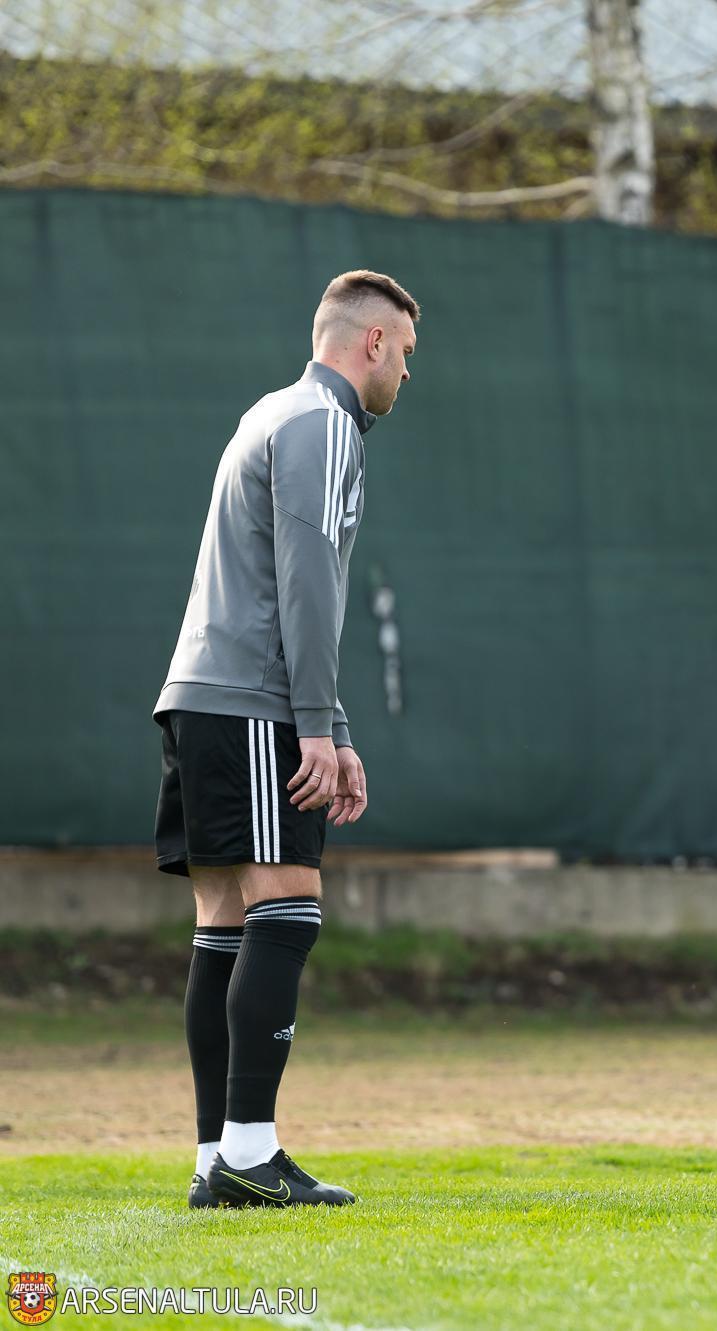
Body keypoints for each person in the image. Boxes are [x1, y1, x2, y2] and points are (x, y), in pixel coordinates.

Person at [155, 271, 419, 1208]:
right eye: (406, 355)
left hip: (199, 695)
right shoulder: (326, 424)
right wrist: (315, 727)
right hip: (253, 703)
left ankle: (215, 1158)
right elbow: (308, 579)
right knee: (288, 907)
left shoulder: (269, 412)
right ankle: (250, 1151)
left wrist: (331, 723)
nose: (406, 376)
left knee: (223, 922)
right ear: (372, 343)